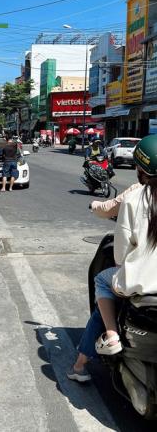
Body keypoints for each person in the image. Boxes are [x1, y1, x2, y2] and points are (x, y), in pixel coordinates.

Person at [67, 134, 157, 383]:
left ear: (141, 167)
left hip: (141, 285)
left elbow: (120, 255)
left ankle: (109, 337)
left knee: (103, 281)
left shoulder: (135, 198)